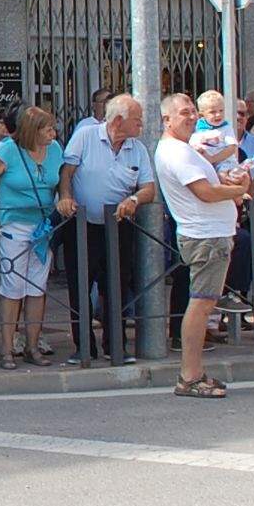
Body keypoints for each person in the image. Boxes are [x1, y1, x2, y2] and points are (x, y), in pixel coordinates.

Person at [157, 94, 253, 399]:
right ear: (167, 119)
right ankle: (190, 375)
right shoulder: (176, 152)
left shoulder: (184, 149)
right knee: (201, 305)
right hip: (206, 237)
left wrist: (225, 179)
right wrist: (239, 189)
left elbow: (208, 183)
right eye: (183, 113)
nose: (191, 117)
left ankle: (193, 373)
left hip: (208, 235)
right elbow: (205, 192)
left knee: (203, 303)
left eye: (192, 112)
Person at [0, 106, 74, 369]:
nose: (53, 133)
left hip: (43, 226)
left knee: (37, 287)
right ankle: (7, 349)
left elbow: (62, 177)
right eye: (48, 129)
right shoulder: (8, 150)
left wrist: (65, 197)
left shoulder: (55, 149)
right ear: (33, 131)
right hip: (13, 225)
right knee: (13, 287)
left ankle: (32, 346)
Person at [61, 96, 156, 358]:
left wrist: (133, 200)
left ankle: (115, 346)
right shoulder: (86, 136)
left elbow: (149, 188)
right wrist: (65, 197)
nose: (141, 125)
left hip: (118, 226)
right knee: (80, 286)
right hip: (82, 225)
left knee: (116, 286)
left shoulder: (137, 148)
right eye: (137, 120)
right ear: (118, 120)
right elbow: (66, 172)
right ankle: (83, 348)